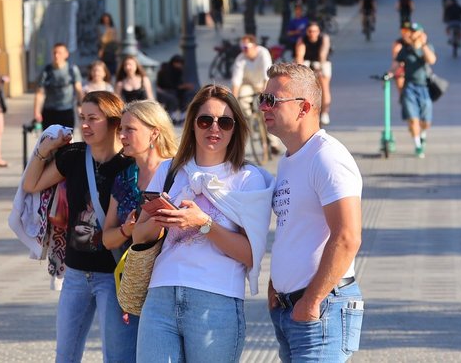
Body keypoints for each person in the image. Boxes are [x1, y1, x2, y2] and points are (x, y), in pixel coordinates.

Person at [132, 85, 273, 362]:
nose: (214, 128)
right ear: (193, 123)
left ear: (236, 128)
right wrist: (162, 219)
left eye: (225, 122)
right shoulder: (169, 169)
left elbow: (250, 255)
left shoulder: (248, 178)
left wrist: (203, 223)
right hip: (161, 296)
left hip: (216, 300)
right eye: (205, 120)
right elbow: (139, 236)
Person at [22, 91, 138, 361]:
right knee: (65, 355)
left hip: (113, 276)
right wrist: (44, 150)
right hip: (75, 274)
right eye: (82, 117)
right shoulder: (74, 156)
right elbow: (31, 184)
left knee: (117, 357)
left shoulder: (129, 165)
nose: (84, 125)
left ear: (113, 122)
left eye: (93, 119)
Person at [260, 63, 363, 361]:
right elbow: (294, 228)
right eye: (262, 99)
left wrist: (312, 300)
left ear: (304, 107)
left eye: (272, 100)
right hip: (291, 310)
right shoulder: (290, 159)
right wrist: (275, 285)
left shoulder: (327, 157)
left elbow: (348, 237)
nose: (264, 107)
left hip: (321, 309)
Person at [102, 100, 174, 254]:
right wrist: (126, 230)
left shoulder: (176, 172)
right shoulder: (124, 178)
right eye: (121, 129)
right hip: (133, 268)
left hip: (169, 266)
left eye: (130, 129)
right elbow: (107, 240)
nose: (121, 135)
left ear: (154, 133)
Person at [394, 22, 436, 157]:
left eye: (414, 32)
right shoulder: (405, 50)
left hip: (424, 87)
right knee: (413, 119)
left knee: (426, 122)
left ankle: (423, 134)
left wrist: (423, 44)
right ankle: (418, 145)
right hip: (409, 87)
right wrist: (389, 74)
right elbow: (395, 65)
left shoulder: (427, 47)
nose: (411, 34)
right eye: (410, 32)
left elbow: (432, 60)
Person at [33, 43, 84, 130]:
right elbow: (40, 93)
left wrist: (83, 109)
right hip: (49, 111)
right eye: (54, 53)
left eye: (59, 53)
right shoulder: (46, 71)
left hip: (66, 111)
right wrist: (36, 112)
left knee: (66, 138)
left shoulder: (72, 69)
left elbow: (78, 89)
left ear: (66, 54)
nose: (56, 55)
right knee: (49, 137)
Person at [294, 22, 333, 126]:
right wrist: (301, 69)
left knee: (324, 84)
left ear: (319, 31)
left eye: (315, 31)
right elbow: (299, 55)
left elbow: (323, 53)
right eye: (310, 31)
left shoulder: (324, 38)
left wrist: (320, 67)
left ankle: (325, 112)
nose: (312, 33)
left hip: (321, 62)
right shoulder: (302, 39)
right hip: (307, 62)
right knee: (300, 84)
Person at [231, 34, 273, 110]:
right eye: (242, 47)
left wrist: (264, 93)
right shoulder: (240, 58)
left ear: (254, 46)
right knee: (242, 98)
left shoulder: (263, 53)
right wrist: (233, 103)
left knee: (265, 105)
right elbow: (236, 82)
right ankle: (249, 116)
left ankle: (263, 116)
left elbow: (267, 76)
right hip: (249, 85)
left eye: (245, 47)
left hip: (263, 85)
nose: (243, 50)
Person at [156, 54, 195, 121]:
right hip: (165, 90)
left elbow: (178, 83)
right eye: (179, 63)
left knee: (188, 94)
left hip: (175, 90)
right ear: (174, 63)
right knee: (173, 98)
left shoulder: (178, 70)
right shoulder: (166, 70)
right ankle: (172, 116)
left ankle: (183, 115)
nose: (181, 66)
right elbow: (168, 85)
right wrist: (183, 86)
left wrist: (183, 86)